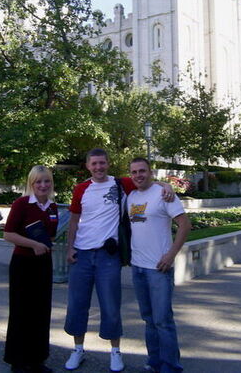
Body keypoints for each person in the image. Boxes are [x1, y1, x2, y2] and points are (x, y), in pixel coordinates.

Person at [64, 148, 174, 372]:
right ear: (88, 166)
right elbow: (74, 221)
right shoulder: (81, 189)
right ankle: (78, 349)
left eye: (102, 163)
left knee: (111, 306)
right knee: (77, 305)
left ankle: (115, 352)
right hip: (82, 255)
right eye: (94, 164)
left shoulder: (121, 184)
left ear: (108, 163)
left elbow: (146, 180)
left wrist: (167, 185)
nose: (98, 168)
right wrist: (69, 248)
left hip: (108, 256)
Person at [127, 157, 191, 373]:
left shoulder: (164, 194)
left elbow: (184, 224)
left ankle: (171, 366)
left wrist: (171, 254)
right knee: (148, 319)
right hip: (137, 267)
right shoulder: (131, 196)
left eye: (142, 171)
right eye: (134, 172)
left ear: (151, 172)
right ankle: (154, 362)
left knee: (163, 320)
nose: (138, 175)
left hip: (158, 268)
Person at [3, 166, 58, 373]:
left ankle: (37, 360)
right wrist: (33, 244)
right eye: (38, 182)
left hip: (44, 263)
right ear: (31, 184)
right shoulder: (22, 204)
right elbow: (8, 234)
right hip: (23, 264)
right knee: (21, 311)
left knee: (41, 311)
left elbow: (50, 236)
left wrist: (45, 243)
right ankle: (18, 361)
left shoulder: (52, 208)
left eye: (47, 181)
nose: (43, 185)